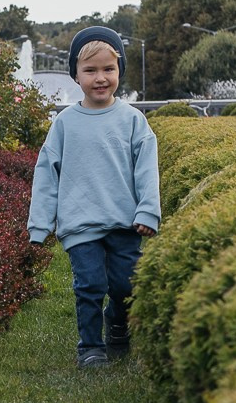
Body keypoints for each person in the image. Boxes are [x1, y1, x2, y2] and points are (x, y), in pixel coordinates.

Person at [26, 26, 160, 368]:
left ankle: (117, 323)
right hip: (80, 223)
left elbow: (146, 169)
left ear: (119, 71)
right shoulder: (65, 124)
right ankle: (90, 347)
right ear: (75, 75)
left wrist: (148, 211)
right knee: (90, 285)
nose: (100, 78)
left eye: (108, 69)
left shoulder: (133, 121)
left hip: (124, 222)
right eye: (90, 70)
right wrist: (40, 225)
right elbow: (46, 173)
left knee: (124, 285)